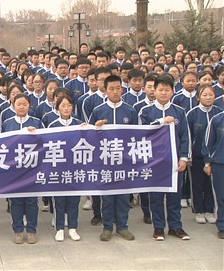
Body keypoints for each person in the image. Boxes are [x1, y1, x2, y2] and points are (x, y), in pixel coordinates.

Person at [139, 73, 191, 241]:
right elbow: (141, 132)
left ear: (172, 91)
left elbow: (185, 136)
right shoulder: (146, 111)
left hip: (174, 161)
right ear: (154, 90)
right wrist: (161, 121)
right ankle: (159, 227)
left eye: (166, 90)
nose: (163, 93)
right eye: (160, 90)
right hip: (155, 162)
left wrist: (184, 158)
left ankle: (176, 226)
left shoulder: (179, 112)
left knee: (174, 195)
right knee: (156, 197)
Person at [89, 74, 138, 241]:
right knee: (108, 196)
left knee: (124, 196)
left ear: (122, 89)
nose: (115, 92)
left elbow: (137, 136)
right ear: (105, 90)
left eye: (118, 88)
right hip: (105, 160)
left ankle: (122, 227)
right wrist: (96, 128)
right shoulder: (98, 110)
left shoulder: (130, 110)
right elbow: (88, 136)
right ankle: (107, 227)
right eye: (111, 89)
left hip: (124, 161)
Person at [2, 93, 43, 244]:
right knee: (16, 201)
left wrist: (36, 134)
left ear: (29, 106)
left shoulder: (36, 122)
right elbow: (2, 144)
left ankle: (32, 230)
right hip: (14, 169)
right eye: (18, 104)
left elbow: (45, 143)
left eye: (24, 104)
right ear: (13, 105)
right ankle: (18, 230)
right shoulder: (7, 123)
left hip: (32, 169)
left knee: (32, 201)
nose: (21, 107)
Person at [48, 94, 83, 242]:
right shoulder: (53, 125)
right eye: (63, 105)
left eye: (69, 105)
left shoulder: (79, 124)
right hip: (59, 168)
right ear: (57, 108)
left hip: (75, 168)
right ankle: (60, 228)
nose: (66, 108)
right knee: (59, 201)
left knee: (74, 200)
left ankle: (73, 228)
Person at [187, 85, 221, 224]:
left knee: (211, 184)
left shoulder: (219, 113)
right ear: (198, 97)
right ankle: (198, 210)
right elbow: (188, 136)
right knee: (197, 183)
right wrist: (188, 155)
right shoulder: (192, 114)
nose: (208, 97)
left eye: (211, 95)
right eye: (205, 95)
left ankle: (209, 209)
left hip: (214, 157)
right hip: (196, 156)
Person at [202, 106, 224, 239]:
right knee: (221, 196)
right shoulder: (217, 119)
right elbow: (208, 143)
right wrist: (207, 162)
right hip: (219, 164)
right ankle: (222, 225)